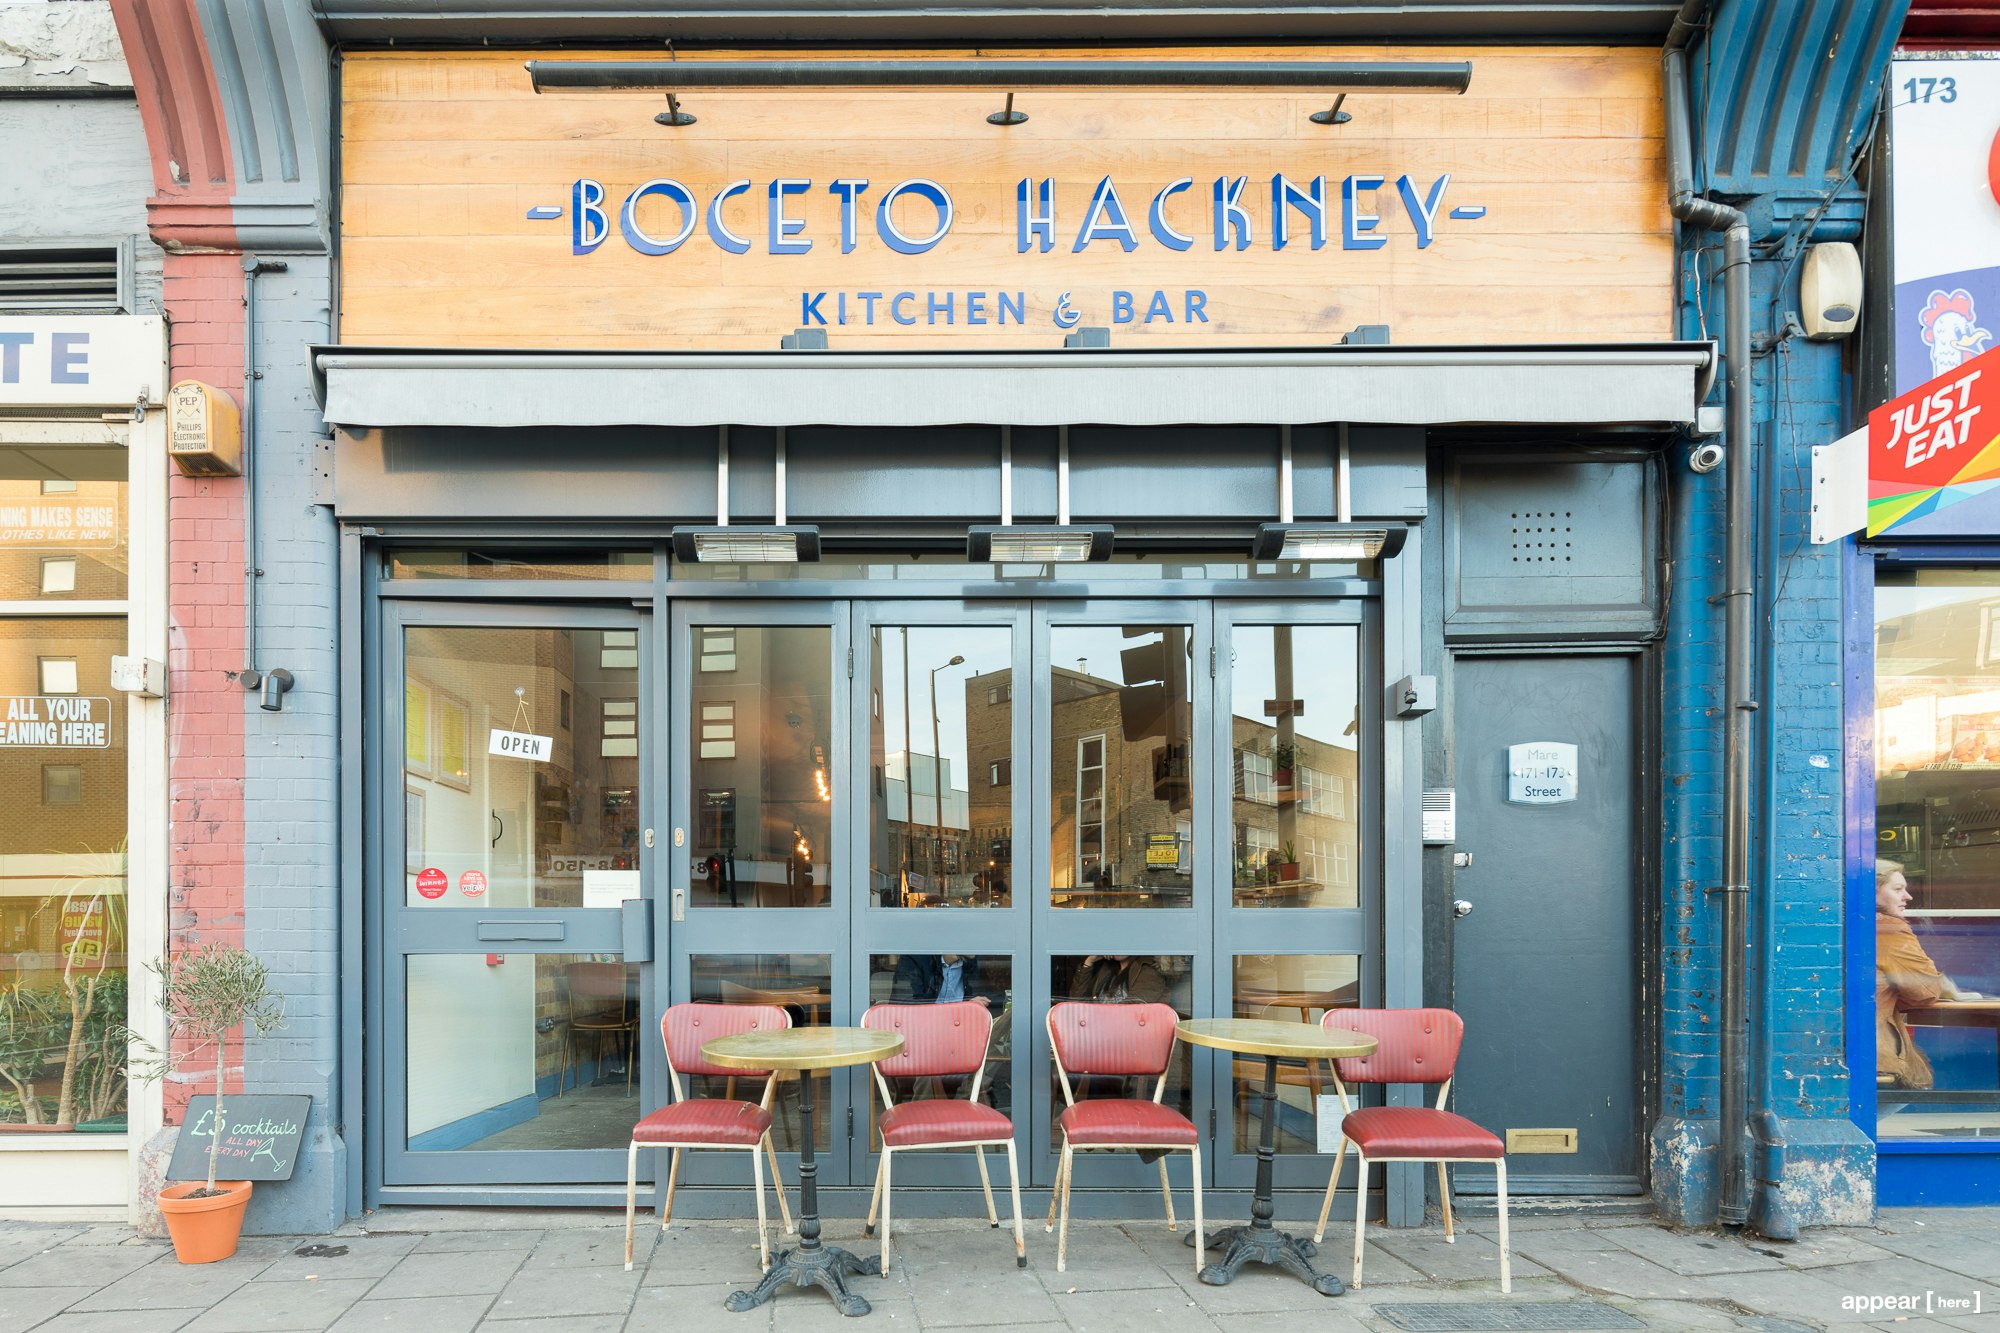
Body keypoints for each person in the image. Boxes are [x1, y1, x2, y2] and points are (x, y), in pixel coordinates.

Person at [1877, 859, 1979, 1090]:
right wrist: (1946, 988)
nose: (1908, 896)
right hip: (1873, 1055)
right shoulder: (1888, 928)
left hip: (1837, 1047)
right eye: (1897, 889)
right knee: (1904, 1092)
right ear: (1871, 892)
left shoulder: (1845, 925)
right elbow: (1923, 990)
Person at [1068, 955, 1170, 1004]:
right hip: (1099, 1033)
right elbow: (1076, 1005)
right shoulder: (1107, 969)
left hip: (1128, 1036)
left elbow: (1134, 1009)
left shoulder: (1148, 970)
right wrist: (1088, 962)